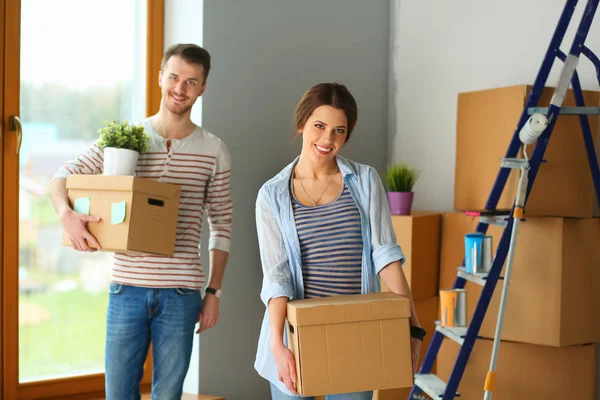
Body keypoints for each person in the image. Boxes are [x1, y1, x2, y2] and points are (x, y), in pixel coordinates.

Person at [48, 43, 232, 400]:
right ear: (161, 77)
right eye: (175, 77)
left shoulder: (214, 150)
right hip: (126, 288)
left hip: (182, 293)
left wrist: (213, 292)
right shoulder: (127, 139)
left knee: (168, 395)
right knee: (118, 394)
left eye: (191, 82)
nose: (180, 88)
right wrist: (65, 215)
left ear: (203, 88)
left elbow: (222, 226)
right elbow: (62, 175)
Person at [254, 82, 424, 399]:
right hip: (296, 335)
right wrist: (278, 343)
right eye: (319, 126)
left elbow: (385, 256)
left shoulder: (364, 181)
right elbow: (277, 278)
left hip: (355, 333)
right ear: (302, 123)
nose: (328, 139)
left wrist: (412, 326)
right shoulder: (272, 194)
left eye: (339, 131)